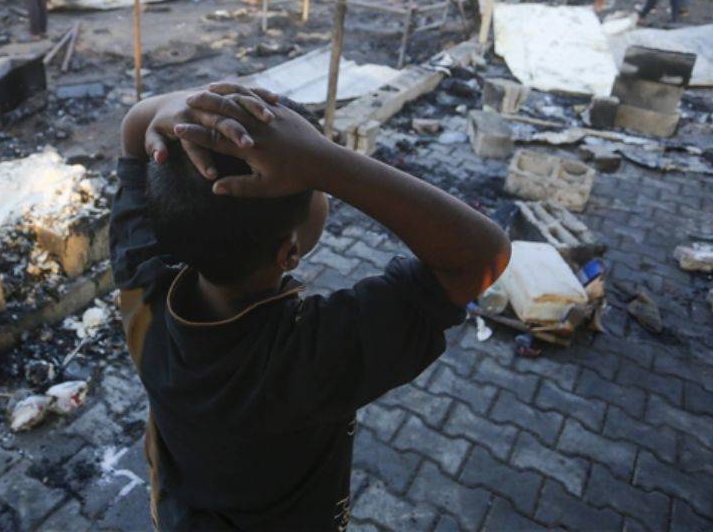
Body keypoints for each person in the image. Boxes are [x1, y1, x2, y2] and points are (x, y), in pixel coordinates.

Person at [110, 82, 510, 530]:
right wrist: (322, 161)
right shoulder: (308, 357)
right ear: (290, 253)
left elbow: (133, 132)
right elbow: (481, 255)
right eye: (317, 189)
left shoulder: (143, 283)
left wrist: (170, 103)